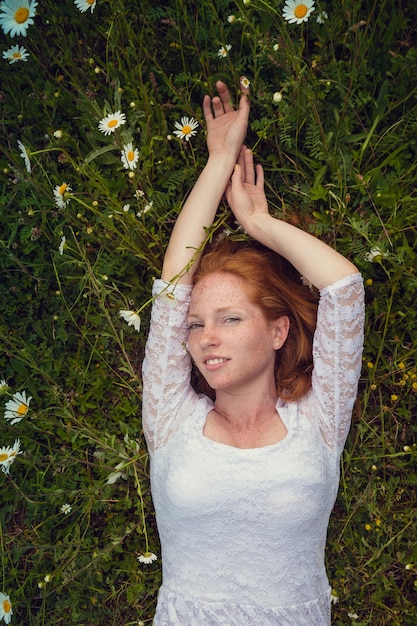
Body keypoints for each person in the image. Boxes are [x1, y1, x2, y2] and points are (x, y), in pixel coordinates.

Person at [142, 79, 365, 625]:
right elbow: (171, 290)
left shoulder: (320, 418)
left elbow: (344, 289)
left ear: (278, 332)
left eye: (230, 319)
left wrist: (259, 224)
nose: (204, 338)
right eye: (195, 325)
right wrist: (218, 162)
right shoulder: (171, 418)